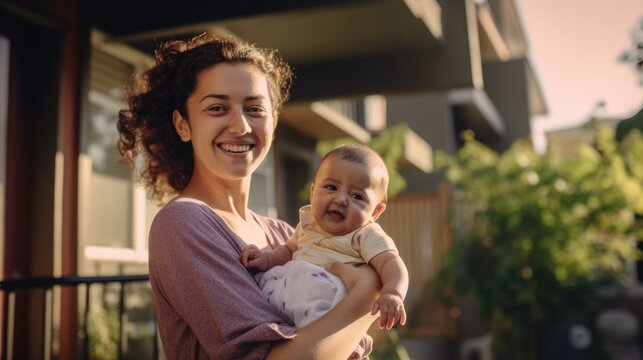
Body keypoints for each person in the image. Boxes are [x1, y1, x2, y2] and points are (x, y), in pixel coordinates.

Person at [117, 33, 381, 359]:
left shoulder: (287, 235)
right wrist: (371, 290)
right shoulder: (183, 223)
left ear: (273, 121)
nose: (240, 125)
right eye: (217, 108)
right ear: (183, 125)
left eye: (254, 108)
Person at [242, 144, 408, 332]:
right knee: (261, 285)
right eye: (331, 187)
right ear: (313, 194)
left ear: (375, 212)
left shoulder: (365, 234)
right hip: (289, 290)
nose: (340, 200)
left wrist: (393, 292)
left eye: (356, 196)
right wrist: (265, 259)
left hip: (328, 299)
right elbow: (288, 250)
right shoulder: (308, 223)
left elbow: (391, 262)